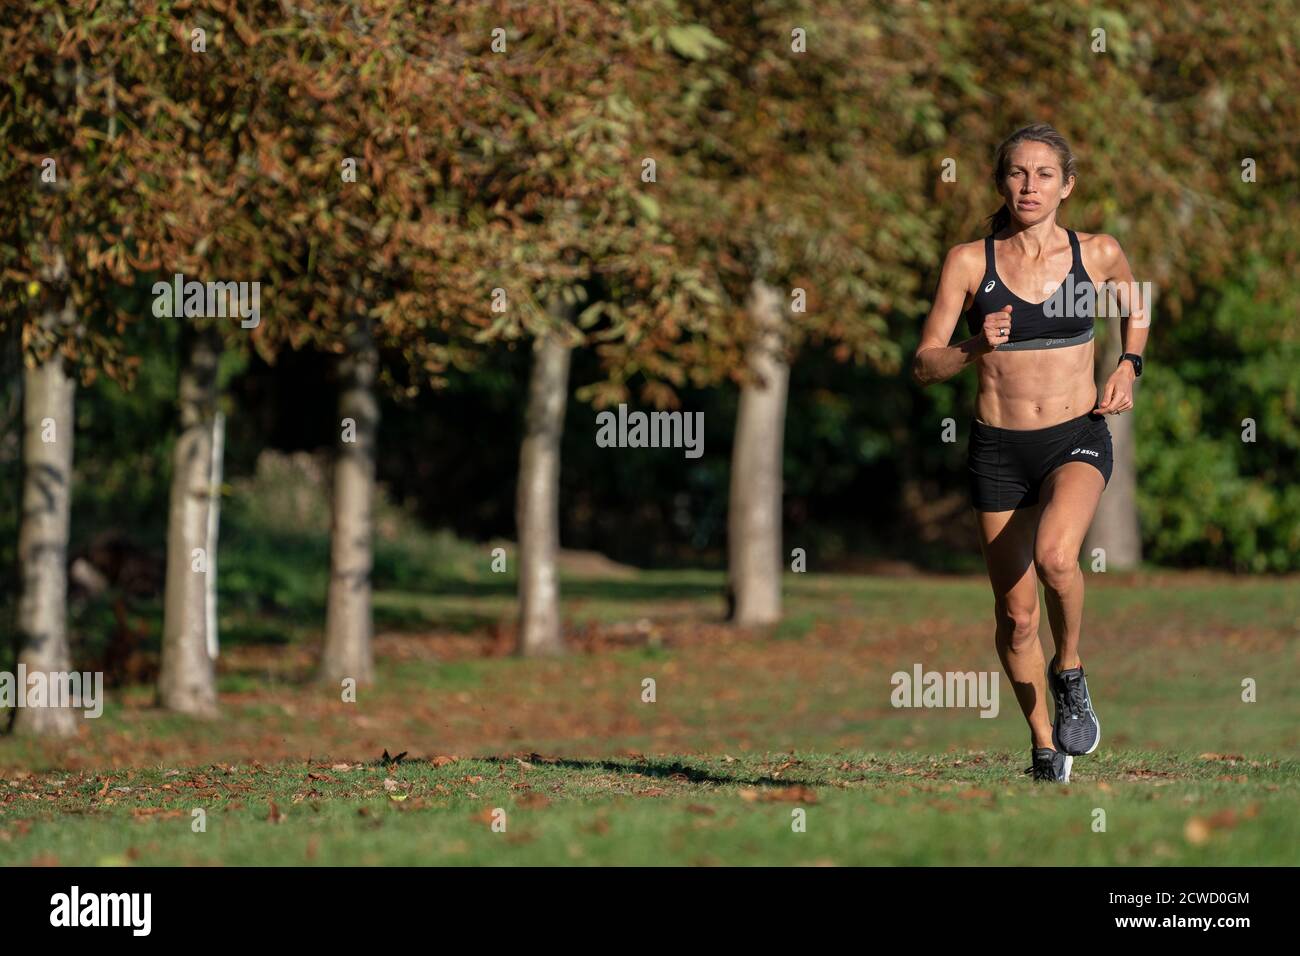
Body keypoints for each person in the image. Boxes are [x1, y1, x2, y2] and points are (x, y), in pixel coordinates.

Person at [912, 123, 1149, 783]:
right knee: (1015, 618)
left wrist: (1129, 365)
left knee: (1055, 558)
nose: (1030, 186)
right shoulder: (969, 263)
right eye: (1018, 173)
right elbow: (925, 365)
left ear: (1066, 185)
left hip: (1076, 433)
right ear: (1001, 182)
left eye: (1045, 174)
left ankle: (1069, 666)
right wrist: (972, 346)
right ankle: (1046, 747)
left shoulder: (1096, 253)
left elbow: (1139, 307)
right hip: (998, 450)